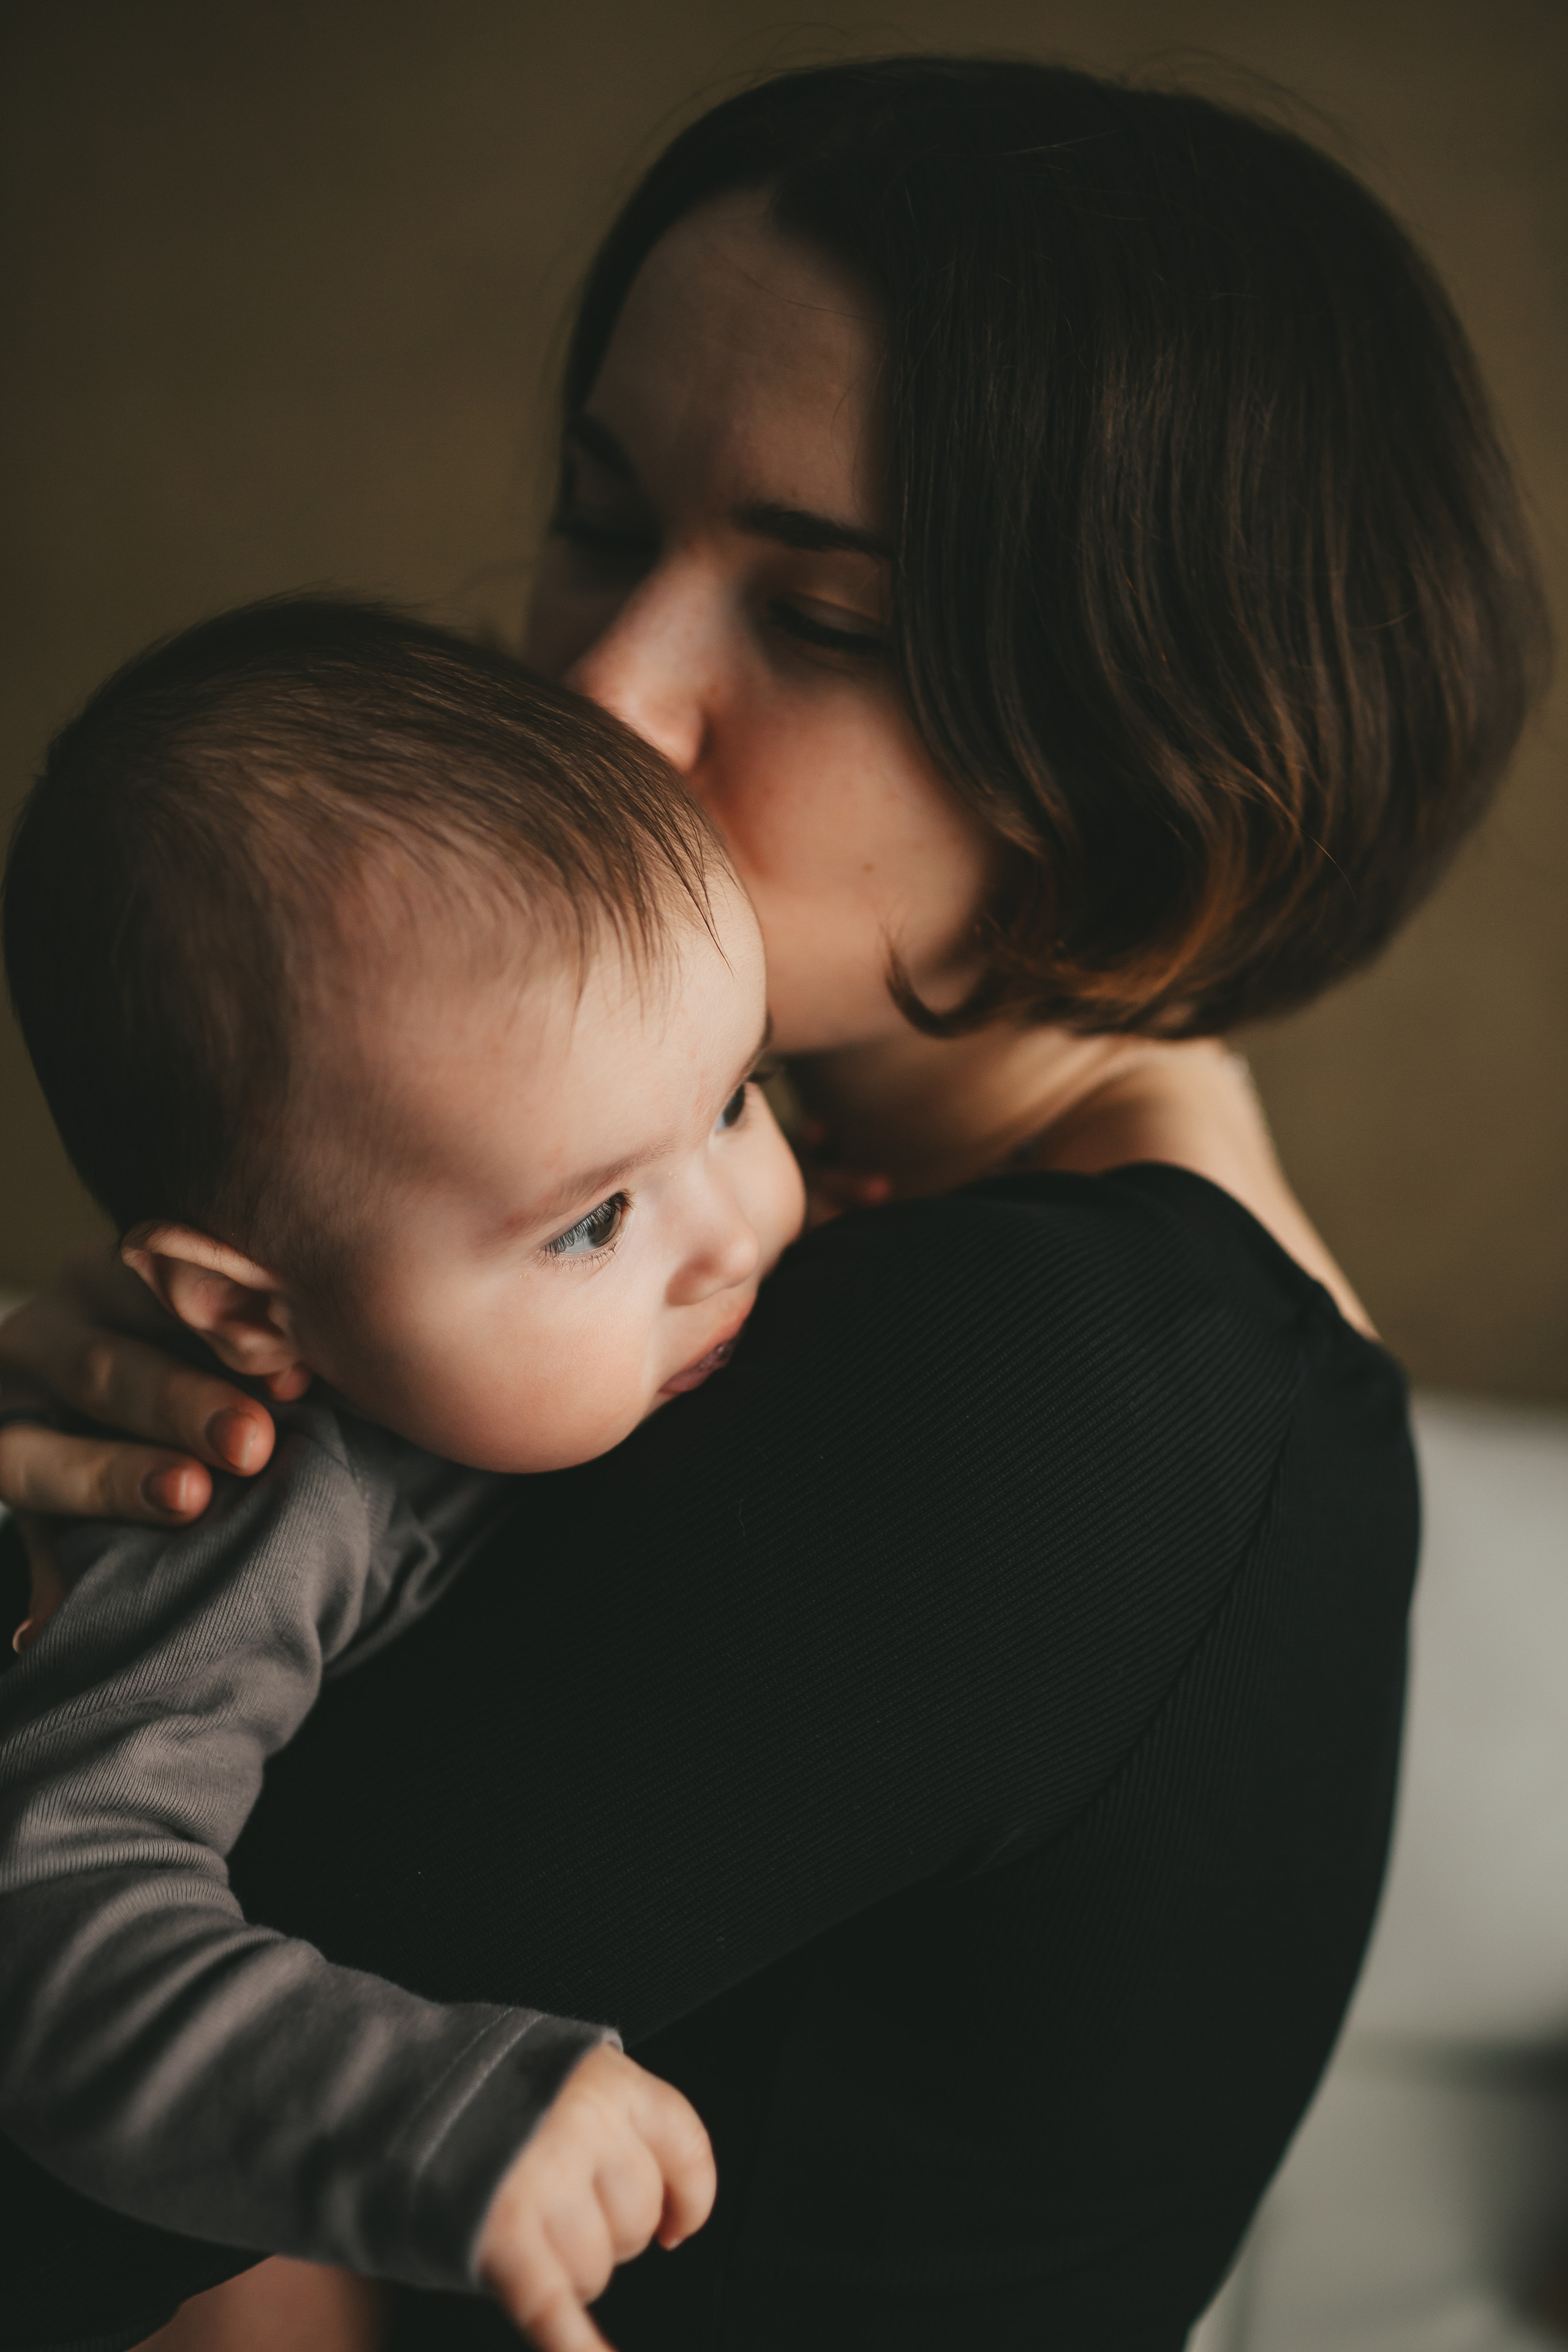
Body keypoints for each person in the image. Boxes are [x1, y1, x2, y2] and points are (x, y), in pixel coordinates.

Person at [0, 55, 1548, 2352]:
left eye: (820, 619)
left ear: (1146, 726)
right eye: (603, 521)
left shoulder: (1044, 1384)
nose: (602, 696)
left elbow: (68, 2186)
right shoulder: (919, 1221)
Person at [1, 598, 809, 2339]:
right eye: (593, 1220)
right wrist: (433, 2115)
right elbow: (52, 1927)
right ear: (252, 1312)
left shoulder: (682, 1301)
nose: (736, 1232)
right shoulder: (253, 1510)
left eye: (743, 1094)